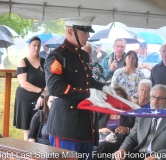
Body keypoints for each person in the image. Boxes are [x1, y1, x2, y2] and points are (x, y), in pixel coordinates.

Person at [45, 16, 116, 160]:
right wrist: (88, 93)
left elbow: (87, 81)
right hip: (66, 125)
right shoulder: (57, 56)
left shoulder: (83, 55)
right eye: (84, 32)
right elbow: (54, 87)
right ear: (71, 31)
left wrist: (103, 87)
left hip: (85, 124)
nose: (88, 35)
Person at [113, 84, 166, 160]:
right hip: (138, 154)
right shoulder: (143, 115)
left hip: (159, 156)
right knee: (116, 158)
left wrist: (157, 156)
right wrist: (123, 149)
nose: (155, 101)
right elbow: (132, 137)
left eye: (160, 98)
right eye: (153, 97)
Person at [13, 36, 47, 141]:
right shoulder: (23, 62)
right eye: (34, 46)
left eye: (38, 46)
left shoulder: (45, 62)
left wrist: (43, 95)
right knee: (28, 129)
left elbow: (50, 80)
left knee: (41, 127)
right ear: (29, 46)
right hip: (26, 99)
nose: (36, 48)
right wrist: (42, 91)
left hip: (42, 99)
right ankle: (27, 153)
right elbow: (24, 83)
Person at [94, 86, 135, 160]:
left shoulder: (130, 115)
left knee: (100, 148)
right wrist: (102, 130)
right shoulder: (102, 112)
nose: (117, 101)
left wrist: (126, 129)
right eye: (115, 98)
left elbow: (137, 131)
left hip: (119, 143)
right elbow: (92, 129)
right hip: (101, 139)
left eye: (120, 99)